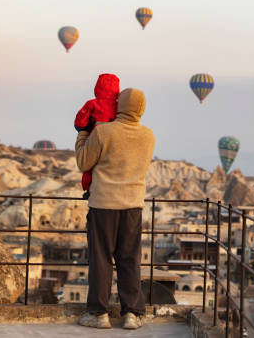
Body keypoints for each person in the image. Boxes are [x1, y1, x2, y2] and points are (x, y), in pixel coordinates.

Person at [75, 87, 155, 330]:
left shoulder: (104, 132)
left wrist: (83, 134)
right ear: (141, 109)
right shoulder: (149, 135)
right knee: (129, 260)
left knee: (101, 260)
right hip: (132, 206)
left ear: (120, 105)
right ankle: (132, 313)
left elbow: (83, 162)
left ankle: (98, 314)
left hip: (103, 204)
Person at [74, 73, 120, 198]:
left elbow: (80, 122)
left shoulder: (91, 104)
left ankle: (89, 190)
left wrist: (82, 129)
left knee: (90, 166)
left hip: (94, 138)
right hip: (113, 141)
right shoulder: (119, 105)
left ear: (97, 87)